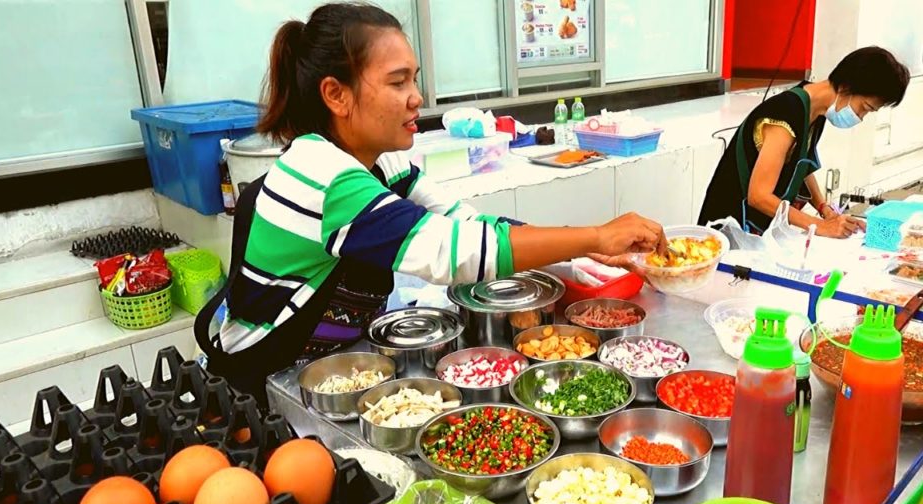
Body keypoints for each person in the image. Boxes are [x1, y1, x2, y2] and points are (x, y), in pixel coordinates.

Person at [195, 3, 666, 405]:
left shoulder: (381, 165)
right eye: (398, 82)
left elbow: (465, 224)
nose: (417, 98)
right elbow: (451, 252)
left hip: (336, 370)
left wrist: (582, 247)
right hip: (266, 385)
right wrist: (596, 234)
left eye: (414, 80)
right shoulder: (321, 175)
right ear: (336, 95)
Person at [698, 47, 910, 238]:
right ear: (847, 87)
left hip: (758, 229)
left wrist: (824, 208)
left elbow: (801, 164)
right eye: (865, 107)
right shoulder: (786, 113)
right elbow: (759, 196)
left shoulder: (814, 111)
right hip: (729, 227)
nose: (861, 117)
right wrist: (819, 226)